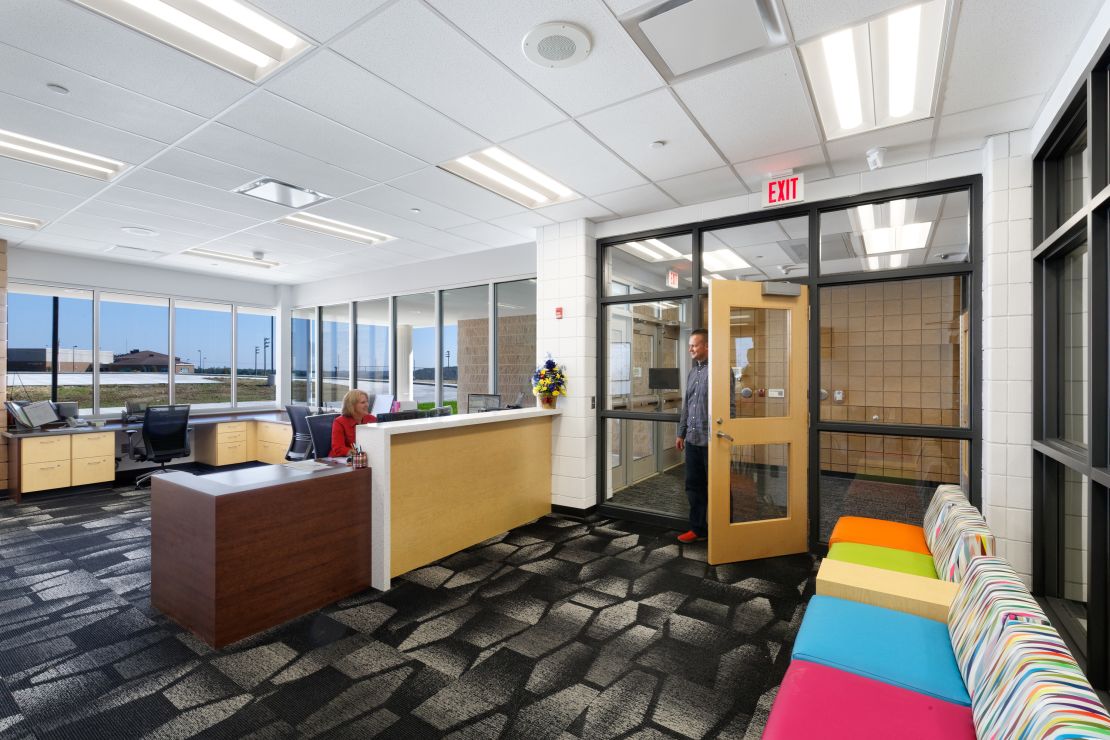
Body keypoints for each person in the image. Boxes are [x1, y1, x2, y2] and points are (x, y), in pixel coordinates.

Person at [675, 328, 734, 544]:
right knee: (694, 486)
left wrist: (728, 435)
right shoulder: (693, 373)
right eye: (690, 345)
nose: (690, 348)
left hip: (713, 441)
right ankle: (698, 529)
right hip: (692, 439)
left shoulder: (720, 371)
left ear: (707, 346)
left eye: (694, 345)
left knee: (719, 486)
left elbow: (729, 406)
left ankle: (725, 530)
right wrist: (681, 432)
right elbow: (686, 406)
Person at [330, 389, 376, 458]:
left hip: (366, 457)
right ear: (352, 406)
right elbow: (338, 448)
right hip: (342, 460)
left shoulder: (372, 419)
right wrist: (358, 453)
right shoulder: (339, 422)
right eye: (363, 402)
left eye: (367, 402)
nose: (367, 405)